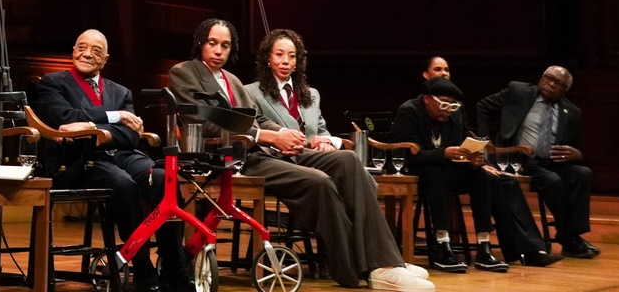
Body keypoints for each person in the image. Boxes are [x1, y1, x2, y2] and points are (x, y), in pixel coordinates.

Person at [168, 19, 433, 291]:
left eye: (225, 45)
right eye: (212, 43)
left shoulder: (231, 80)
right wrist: (269, 136)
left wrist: (283, 135)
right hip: (232, 159)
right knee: (321, 182)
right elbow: (202, 119)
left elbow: (256, 120)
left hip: (263, 152)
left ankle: (385, 261)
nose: (218, 51)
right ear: (200, 42)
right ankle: (358, 268)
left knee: (348, 160)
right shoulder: (184, 72)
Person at [36, 30, 192, 292]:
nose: (87, 53)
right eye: (82, 47)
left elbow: (132, 135)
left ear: (105, 59)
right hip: (80, 161)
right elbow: (64, 116)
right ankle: (142, 266)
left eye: (96, 51)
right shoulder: (54, 83)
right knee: (123, 184)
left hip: (123, 154)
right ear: (73, 49)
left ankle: (174, 266)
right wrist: (115, 117)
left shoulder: (121, 92)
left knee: (166, 179)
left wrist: (99, 131)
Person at [392, 77, 558, 272]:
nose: (448, 110)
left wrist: (472, 158)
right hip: (420, 169)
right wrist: (442, 153)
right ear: (427, 99)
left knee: (480, 175)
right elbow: (405, 155)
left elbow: (462, 143)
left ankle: (483, 247)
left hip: (448, 167)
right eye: (444, 104)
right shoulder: (409, 111)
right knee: (436, 172)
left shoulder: (457, 113)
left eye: (452, 106)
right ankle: (442, 246)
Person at [476, 66, 599, 259]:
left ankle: (572, 235)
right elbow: (483, 106)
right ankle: (570, 239)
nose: (550, 84)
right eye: (548, 78)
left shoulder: (572, 111)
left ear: (565, 89)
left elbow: (576, 144)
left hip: (554, 161)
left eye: (557, 83)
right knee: (553, 181)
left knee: (583, 173)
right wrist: (484, 140)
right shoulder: (518, 91)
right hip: (522, 159)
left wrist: (577, 154)